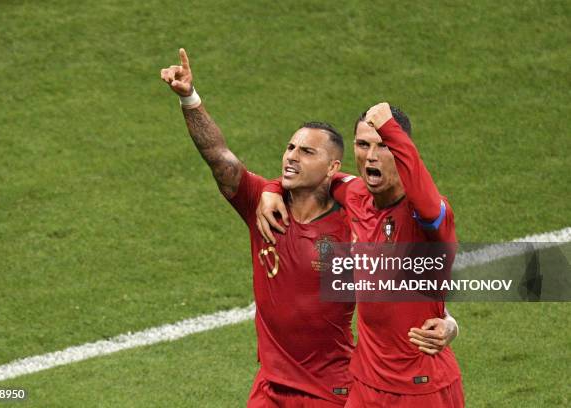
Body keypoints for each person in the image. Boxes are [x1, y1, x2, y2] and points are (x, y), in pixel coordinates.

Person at [161, 49, 459, 407]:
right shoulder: (266, 207)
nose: (292, 156)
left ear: (332, 167)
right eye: (290, 148)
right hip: (273, 385)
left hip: (333, 389)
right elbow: (220, 160)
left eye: (306, 152)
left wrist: (449, 322)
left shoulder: (353, 214)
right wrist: (189, 99)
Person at [257, 103, 464, 407]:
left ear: (402, 151)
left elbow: (426, 200)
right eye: (363, 144)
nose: (371, 156)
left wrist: (393, 130)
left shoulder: (428, 219)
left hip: (422, 388)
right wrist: (272, 188)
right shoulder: (355, 196)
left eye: (384, 146)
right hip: (366, 386)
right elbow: (316, 177)